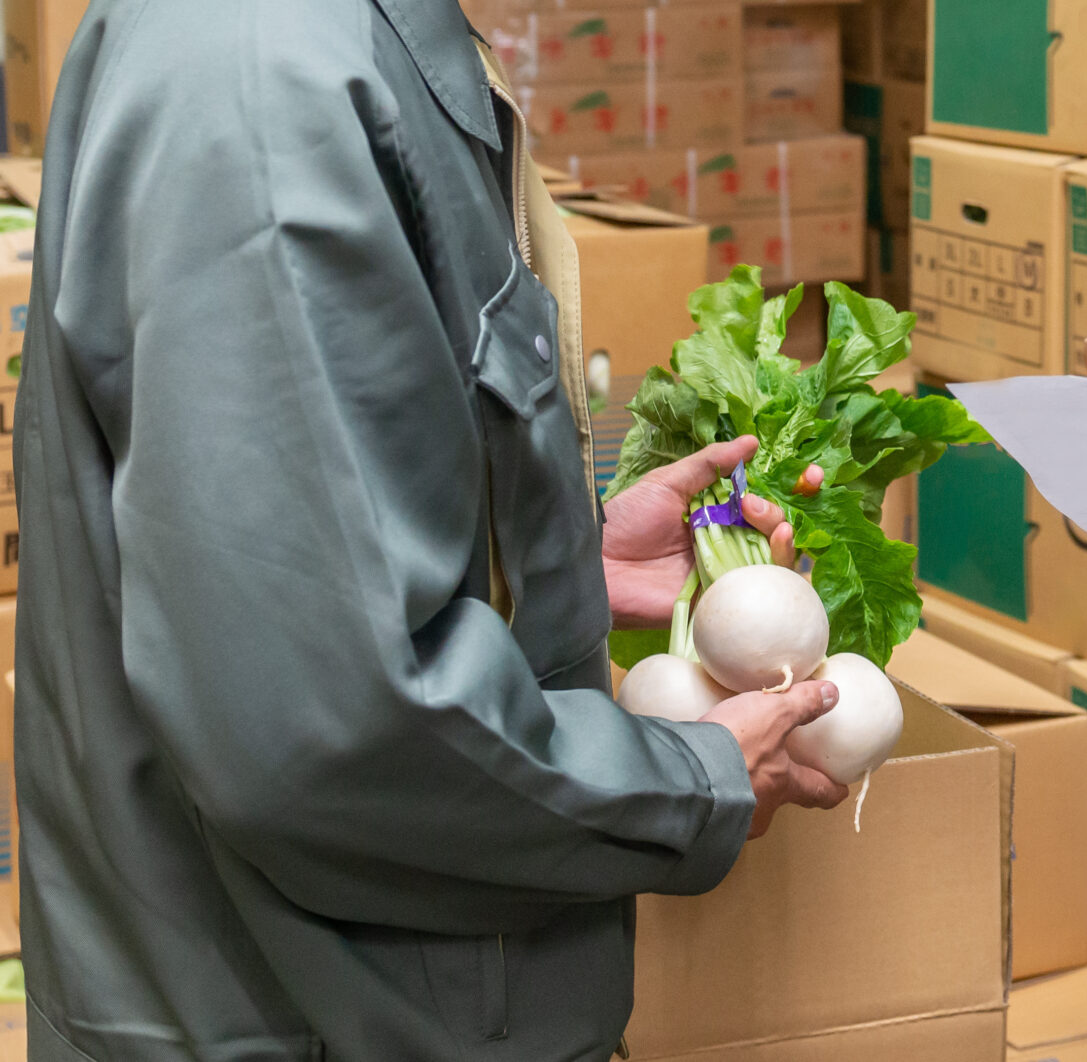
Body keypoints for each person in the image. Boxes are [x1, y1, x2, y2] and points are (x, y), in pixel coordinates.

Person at [12, 0, 848, 1057]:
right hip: (311, 1018)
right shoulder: (270, 84)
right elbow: (323, 730)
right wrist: (690, 783)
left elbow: (304, 526)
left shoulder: (349, 49)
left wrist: (561, 568)